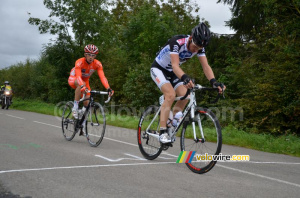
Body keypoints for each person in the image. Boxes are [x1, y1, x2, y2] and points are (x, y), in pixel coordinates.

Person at [150, 22, 226, 143]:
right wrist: (185, 77)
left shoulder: (200, 47)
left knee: (186, 96)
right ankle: (163, 132)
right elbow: (175, 66)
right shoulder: (177, 42)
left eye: (199, 49)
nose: (196, 50)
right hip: (159, 69)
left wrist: (214, 82)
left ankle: (171, 125)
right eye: (195, 46)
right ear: (190, 38)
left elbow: (205, 66)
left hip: (172, 72)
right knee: (170, 95)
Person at [68, 44, 114, 121]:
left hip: (85, 81)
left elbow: (102, 77)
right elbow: (78, 76)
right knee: (82, 84)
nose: (90, 57)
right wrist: (82, 86)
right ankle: (75, 108)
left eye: (93, 55)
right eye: (88, 55)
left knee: (86, 103)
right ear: (85, 55)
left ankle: (80, 122)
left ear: (95, 56)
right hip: (74, 79)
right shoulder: (79, 62)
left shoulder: (97, 64)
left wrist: (108, 88)